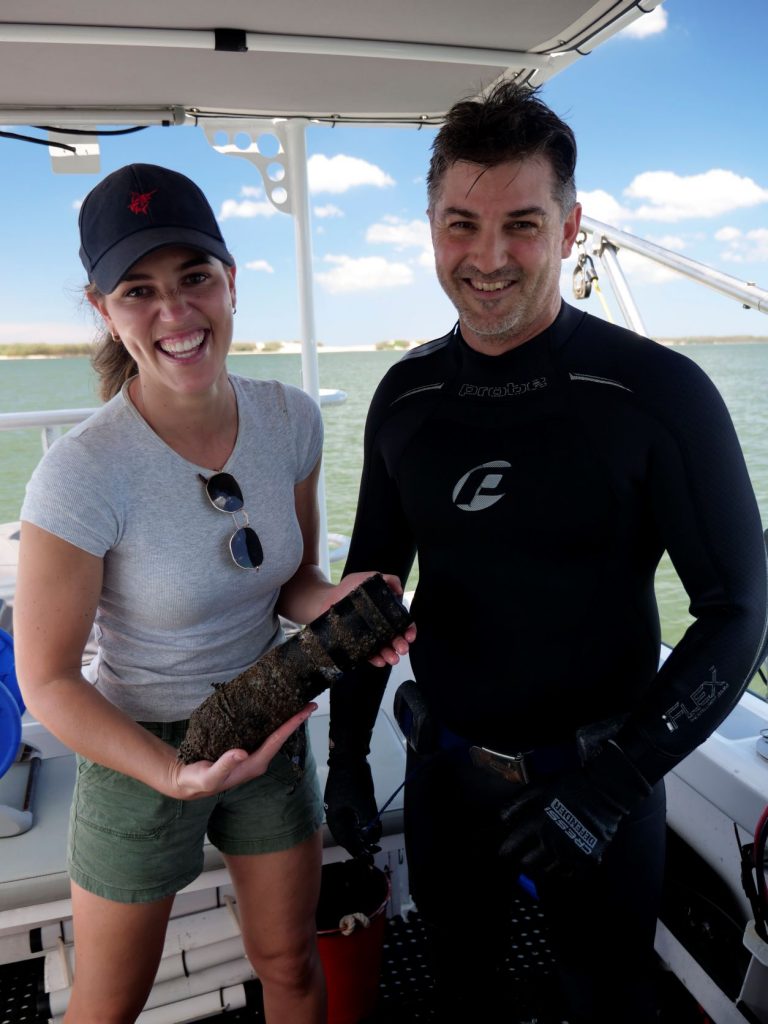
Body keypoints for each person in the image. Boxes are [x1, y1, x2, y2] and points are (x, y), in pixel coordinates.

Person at [323, 83, 768, 1023]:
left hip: (602, 781)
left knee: (606, 996)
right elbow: (372, 595)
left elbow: (738, 611)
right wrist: (349, 757)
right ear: (431, 228)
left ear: (570, 230)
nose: (488, 258)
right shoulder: (405, 400)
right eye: (461, 225)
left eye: (522, 223)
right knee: (461, 987)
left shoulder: (655, 392)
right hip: (444, 774)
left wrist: (612, 785)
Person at [13, 163, 414, 1024]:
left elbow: (292, 582)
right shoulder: (80, 475)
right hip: (136, 748)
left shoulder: (289, 420)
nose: (176, 313)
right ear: (103, 310)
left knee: (292, 964)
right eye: (139, 290)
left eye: (195, 277)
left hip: (267, 712)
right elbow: (47, 680)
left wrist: (342, 601)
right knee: (108, 1005)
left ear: (231, 281)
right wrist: (174, 773)